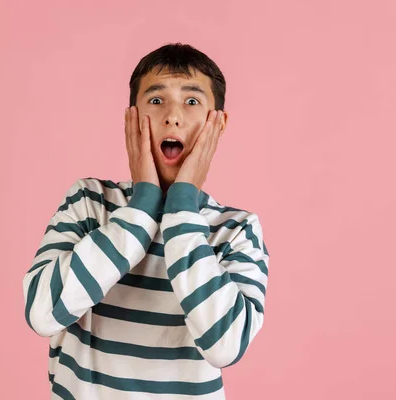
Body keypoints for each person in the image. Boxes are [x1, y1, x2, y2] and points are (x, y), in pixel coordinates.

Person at [22, 42, 270, 399]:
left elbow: (225, 345)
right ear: (131, 117)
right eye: (156, 101)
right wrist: (140, 210)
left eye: (192, 101)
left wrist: (182, 206)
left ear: (218, 123)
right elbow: (42, 313)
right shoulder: (89, 202)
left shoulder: (236, 230)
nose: (172, 116)